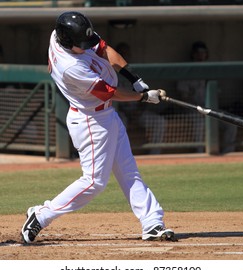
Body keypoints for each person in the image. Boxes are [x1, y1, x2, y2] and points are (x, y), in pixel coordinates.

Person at [21, 11, 174, 243]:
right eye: (81, 44)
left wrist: (132, 76)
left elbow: (103, 48)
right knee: (94, 182)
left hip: (106, 117)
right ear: (68, 42)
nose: (86, 46)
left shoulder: (62, 34)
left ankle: (152, 222)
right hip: (90, 121)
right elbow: (108, 93)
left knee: (129, 172)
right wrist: (142, 97)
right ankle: (41, 216)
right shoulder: (70, 67)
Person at [115, 42, 166, 154]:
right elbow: (111, 95)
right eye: (121, 53)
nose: (124, 55)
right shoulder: (110, 72)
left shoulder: (134, 72)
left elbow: (145, 93)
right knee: (117, 121)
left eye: (126, 53)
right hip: (120, 112)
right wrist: (124, 112)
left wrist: (139, 110)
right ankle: (120, 154)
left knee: (159, 121)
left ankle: (155, 154)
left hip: (138, 111)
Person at [175, 41, 209, 153]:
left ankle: (227, 151)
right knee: (199, 121)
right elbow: (183, 97)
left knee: (229, 123)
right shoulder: (186, 70)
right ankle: (200, 152)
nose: (201, 55)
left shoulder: (210, 70)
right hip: (192, 110)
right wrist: (198, 108)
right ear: (193, 54)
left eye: (203, 52)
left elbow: (217, 94)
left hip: (209, 109)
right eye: (198, 52)